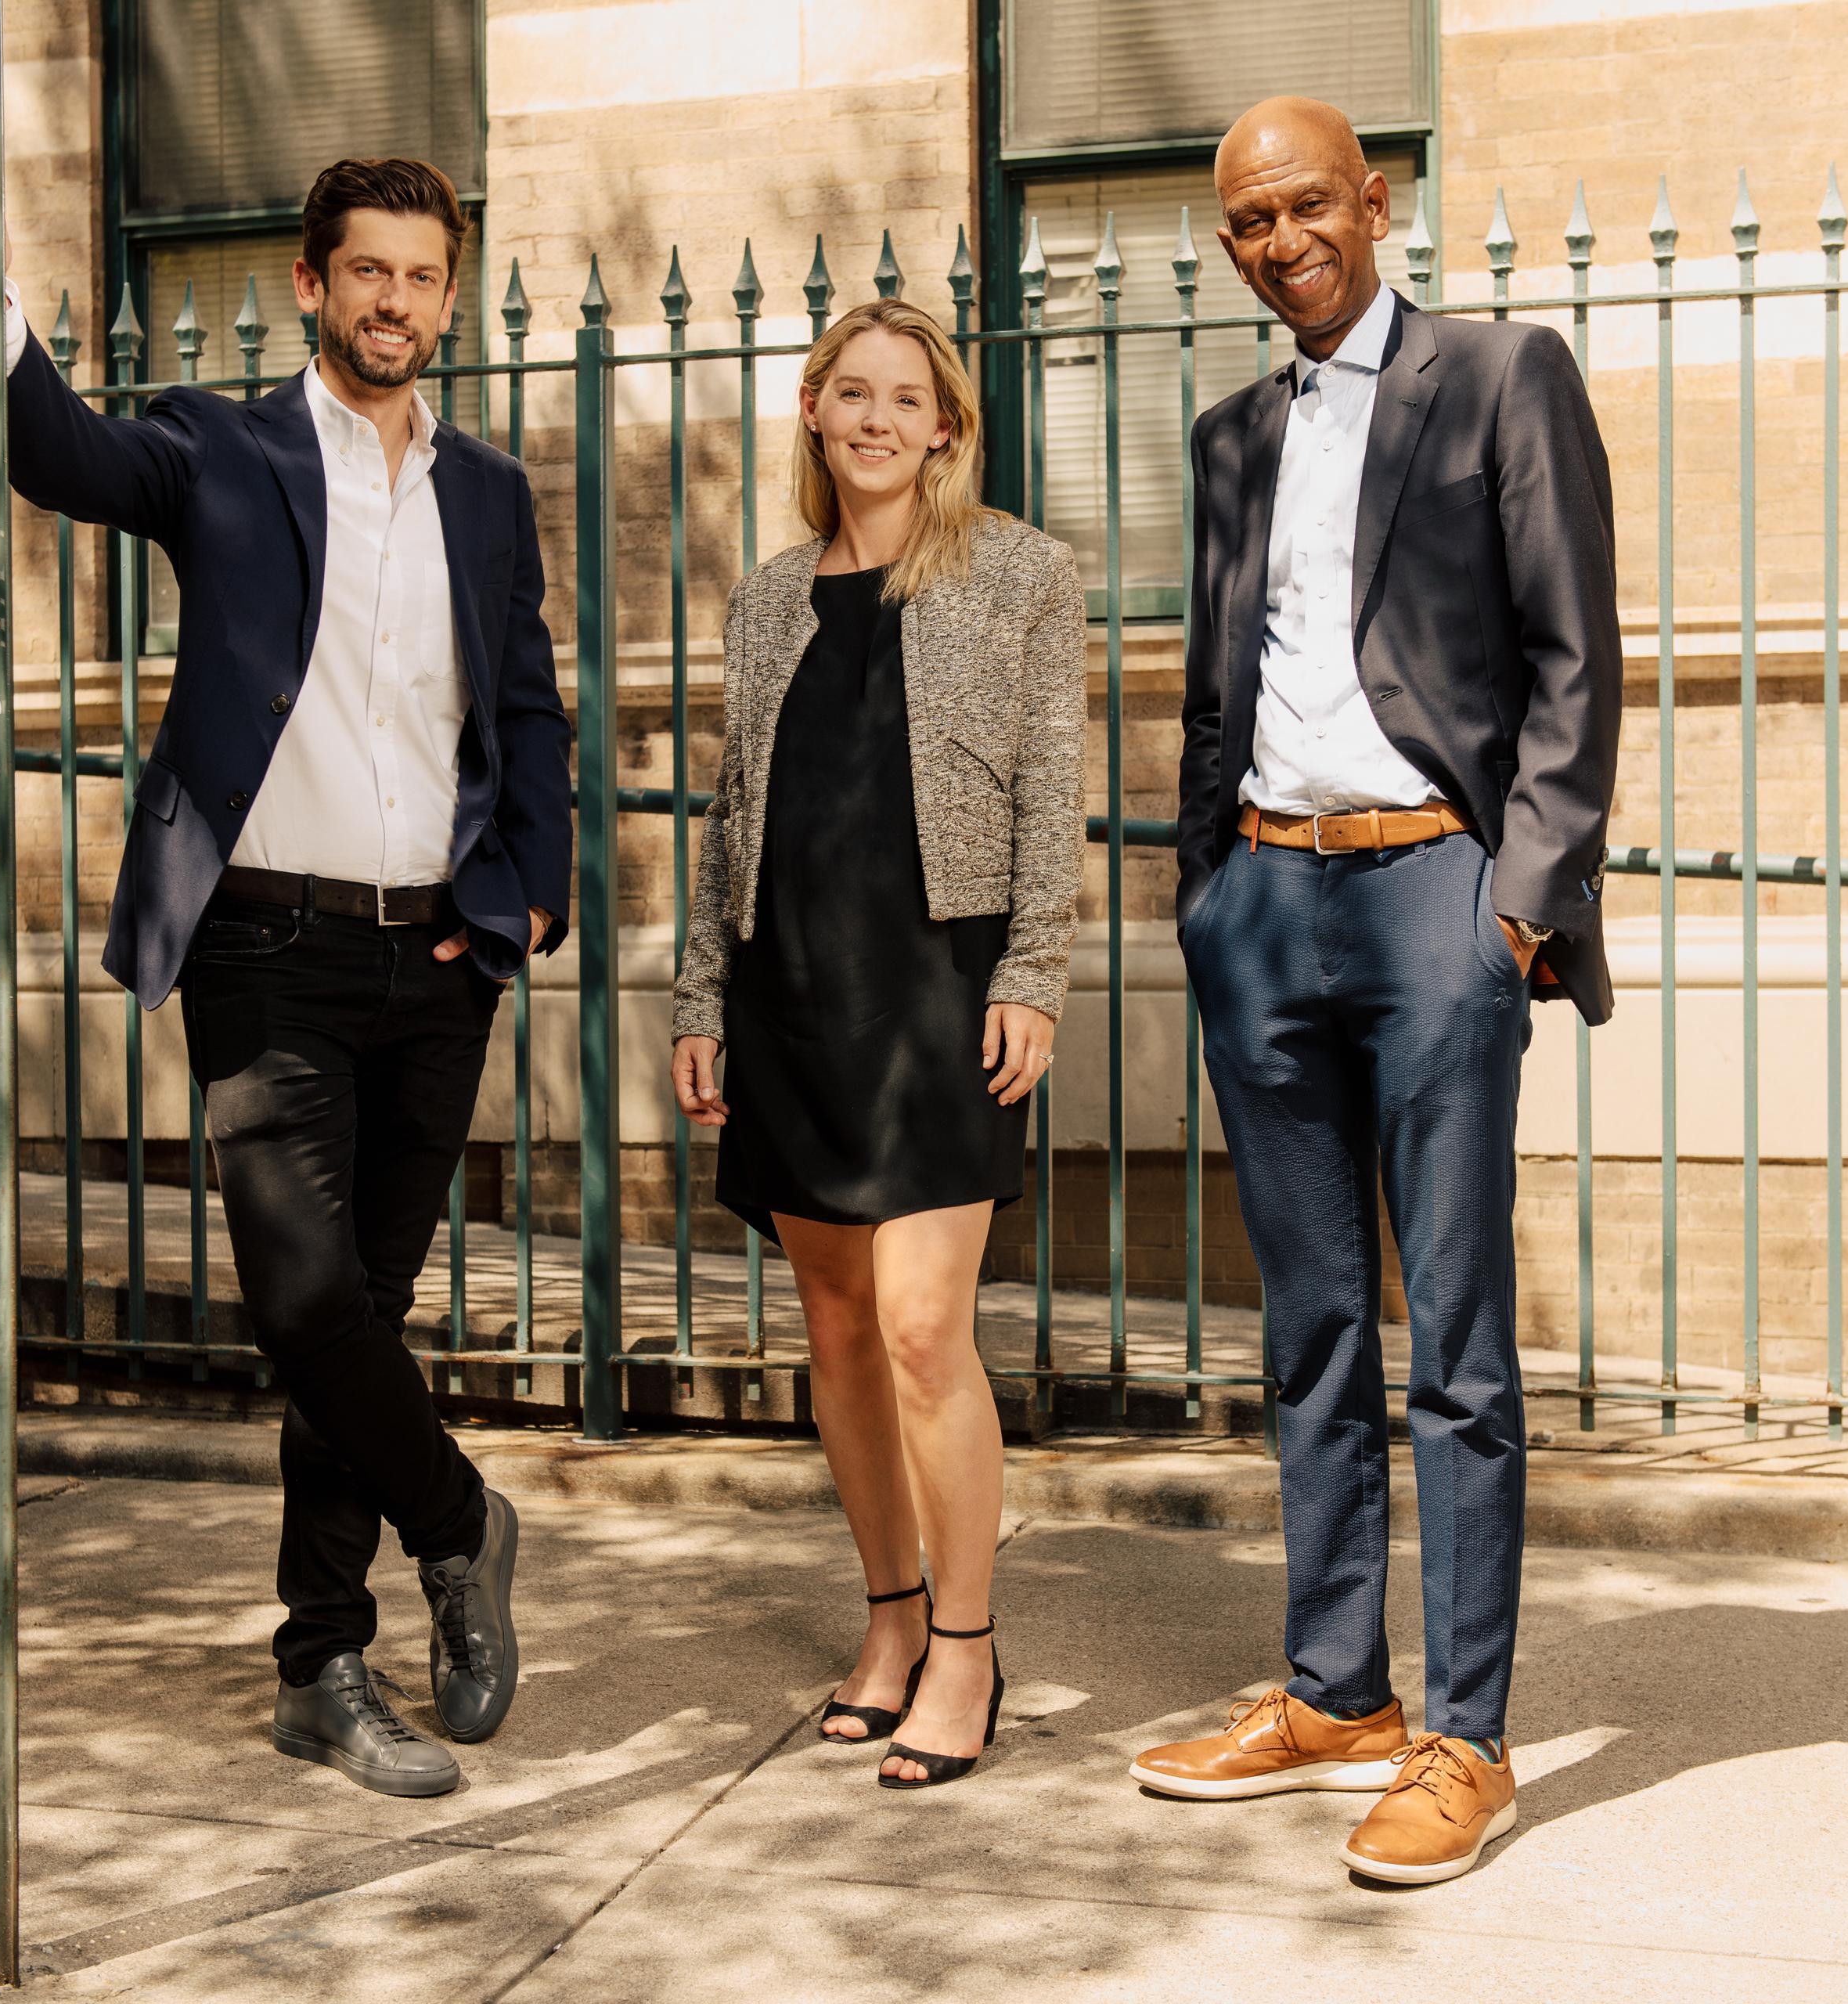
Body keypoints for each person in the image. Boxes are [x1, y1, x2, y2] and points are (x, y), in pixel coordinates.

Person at [0, 150, 571, 1800]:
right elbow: (60, 450)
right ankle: (458, 1517)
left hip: (438, 946)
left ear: (447, 292)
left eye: (423, 276)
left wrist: (537, 894)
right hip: (266, 941)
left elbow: (533, 705)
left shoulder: (488, 492)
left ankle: (322, 1663)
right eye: (368, 272)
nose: (397, 302)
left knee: (363, 1303)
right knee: (302, 1295)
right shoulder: (227, 447)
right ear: (311, 281)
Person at [1128, 97, 1620, 1883]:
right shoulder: (1226, 434)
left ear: (1376, 199)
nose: (1281, 239)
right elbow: (1211, 678)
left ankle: (1466, 1738)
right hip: (1266, 901)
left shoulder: (1500, 379)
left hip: (1436, 893)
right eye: (1249, 220)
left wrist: (1520, 899)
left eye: (1308, 204)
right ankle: (1336, 1685)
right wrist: (1206, 896)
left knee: (1458, 1348)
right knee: (1313, 1329)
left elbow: (1577, 660)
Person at [668, 299, 1082, 1791]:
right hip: (792, 988)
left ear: (949, 429)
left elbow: (1053, 786)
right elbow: (728, 818)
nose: (878, 420)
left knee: (921, 1327)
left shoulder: (1024, 575)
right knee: (837, 1330)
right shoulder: (772, 596)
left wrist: (1034, 968)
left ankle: (967, 1648)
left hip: (937, 989)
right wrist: (700, 998)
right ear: (814, 414)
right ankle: (892, 1621)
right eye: (853, 393)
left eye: (909, 399)